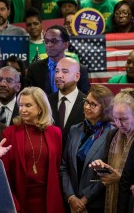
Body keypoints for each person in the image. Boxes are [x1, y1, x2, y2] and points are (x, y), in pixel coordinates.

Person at [1, 86, 64, 213]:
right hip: (20, 200)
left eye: (28, 105)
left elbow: (57, 168)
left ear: (40, 107)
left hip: (49, 200)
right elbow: (4, 173)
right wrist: (14, 204)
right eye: (21, 105)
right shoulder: (10, 133)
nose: (23, 109)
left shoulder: (55, 133)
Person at [60, 84, 116, 213]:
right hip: (71, 203)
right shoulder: (75, 129)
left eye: (93, 105)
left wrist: (84, 199)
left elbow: (107, 175)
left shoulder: (112, 133)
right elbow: (64, 167)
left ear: (105, 109)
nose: (86, 107)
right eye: (86, 102)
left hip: (95, 204)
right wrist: (71, 197)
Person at [89, 88, 134, 213]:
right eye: (115, 118)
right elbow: (108, 165)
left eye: (123, 119)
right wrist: (101, 166)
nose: (118, 124)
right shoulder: (112, 134)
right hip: (112, 200)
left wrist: (121, 179)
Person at [25, 25, 90, 95]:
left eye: (54, 41)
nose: (49, 45)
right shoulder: (34, 69)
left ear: (66, 44)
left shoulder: (80, 69)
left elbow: (83, 98)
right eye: (46, 41)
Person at [48, 57, 86, 145]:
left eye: (65, 71)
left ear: (77, 76)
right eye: (57, 71)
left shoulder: (86, 103)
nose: (58, 75)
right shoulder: (46, 101)